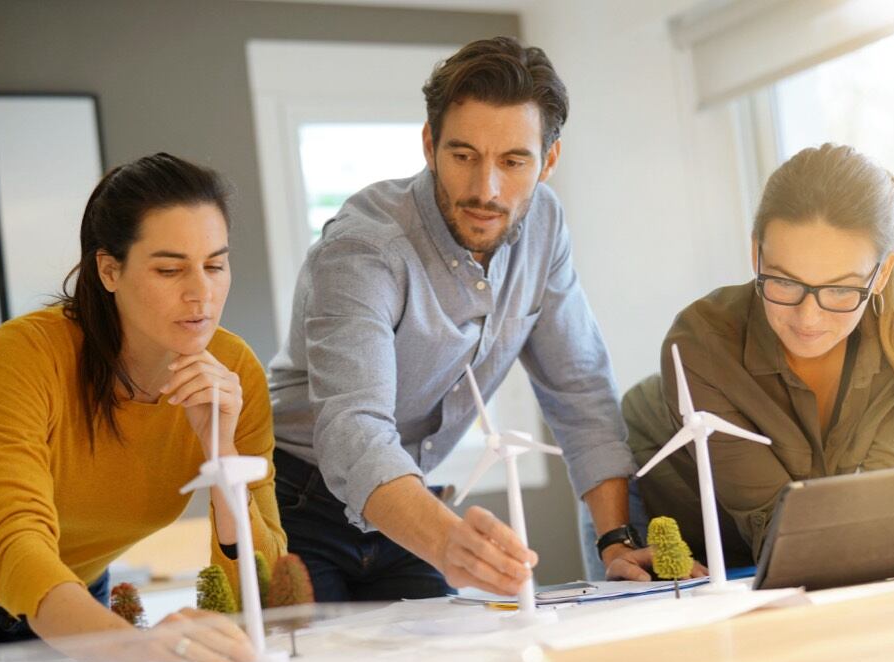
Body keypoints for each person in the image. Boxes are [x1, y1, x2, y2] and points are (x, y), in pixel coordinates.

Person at [268, 36, 695, 602]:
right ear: (429, 144)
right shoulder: (364, 248)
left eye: (513, 161)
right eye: (463, 155)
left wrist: (616, 539)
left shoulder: (545, 226)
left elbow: (580, 389)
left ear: (548, 161)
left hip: (410, 501)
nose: (485, 190)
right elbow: (354, 429)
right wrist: (447, 543)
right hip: (298, 503)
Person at [0, 153, 286, 662]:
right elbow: (14, 537)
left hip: (73, 585)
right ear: (109, 269)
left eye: (215, 264)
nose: (201, 291)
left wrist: (220, 453)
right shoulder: (27, 351)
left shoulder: (234, 372)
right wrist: (133, 645)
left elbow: (263, 582)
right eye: (170, 268)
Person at [624, 143, 894, 567]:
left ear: (882, 274)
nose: (808, 317)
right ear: (756, 254)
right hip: (668, 501)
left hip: (806, 532)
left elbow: (879, 518)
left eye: (840, 289)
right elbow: (775, 525)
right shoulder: (700, 342)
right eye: (784, 282)